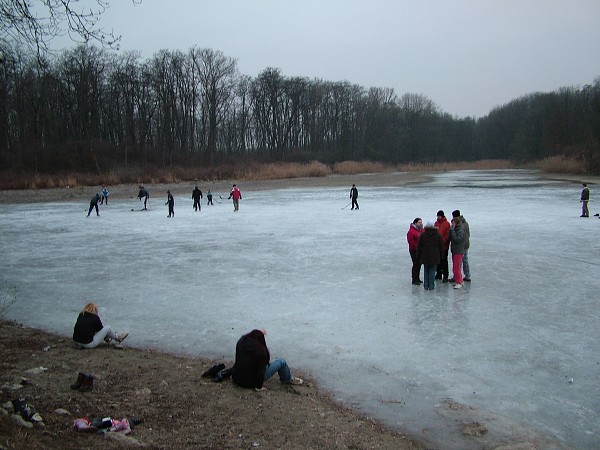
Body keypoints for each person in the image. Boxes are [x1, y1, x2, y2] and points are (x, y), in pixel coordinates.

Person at [231, 329, 303, 391]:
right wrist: (259, 387)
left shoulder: (240, 343)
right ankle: (287, 379)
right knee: (282, 362)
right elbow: (260, 372)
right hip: (250, 382)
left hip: (236, 378)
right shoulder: (260, 353)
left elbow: (248, 336)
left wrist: (258, 332)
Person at [416, 221, 443, 290]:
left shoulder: (423, 235)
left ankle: (426, 285)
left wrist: (418, 255)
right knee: (432, 270)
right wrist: (441, 255)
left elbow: (419, 246)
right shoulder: (438, 235)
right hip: (435, 256)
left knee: (426, 270)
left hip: (425, 256)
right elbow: (441, 247)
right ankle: (431, 286)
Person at [451, 210, 471, 282]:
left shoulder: (461, 224)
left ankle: (464, 275)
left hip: (462, 245)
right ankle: (463, 275)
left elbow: (462, 236)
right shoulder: (465, 223)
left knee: (460, 261)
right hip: (465, 244)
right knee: (462, 261)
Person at [449, 216, 467, 289]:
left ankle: (459, 282)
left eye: (453, 223)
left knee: (456, 267)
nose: (452, 225)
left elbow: (457, 239)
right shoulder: (456, 229)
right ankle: (459, 280)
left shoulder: (460, 230)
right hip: (455, 250)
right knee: (455, 267)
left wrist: (452, 231)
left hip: (459, 251)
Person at [406, 218, 424, 285]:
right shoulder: (411, 231)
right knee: (416, 264)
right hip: (413, 250)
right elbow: (411, 242)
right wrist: (417, 247)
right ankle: (414, 279)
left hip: (420, 250)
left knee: (419, 264)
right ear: (415, 223)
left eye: (421, 222)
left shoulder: (421, 230)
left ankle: (417, 278)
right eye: (419, 222)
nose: (421, 223)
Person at [434, 210, 451, 283]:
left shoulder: (447, 224)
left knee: (444, 261)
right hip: (437, 246)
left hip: (444, 246)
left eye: (439, 216)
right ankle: (438, 274)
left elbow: (447, 235)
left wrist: (443, 241)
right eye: (437, 216)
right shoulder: (436, 223)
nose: (438, 217)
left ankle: (445, 276)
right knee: (438, 260)